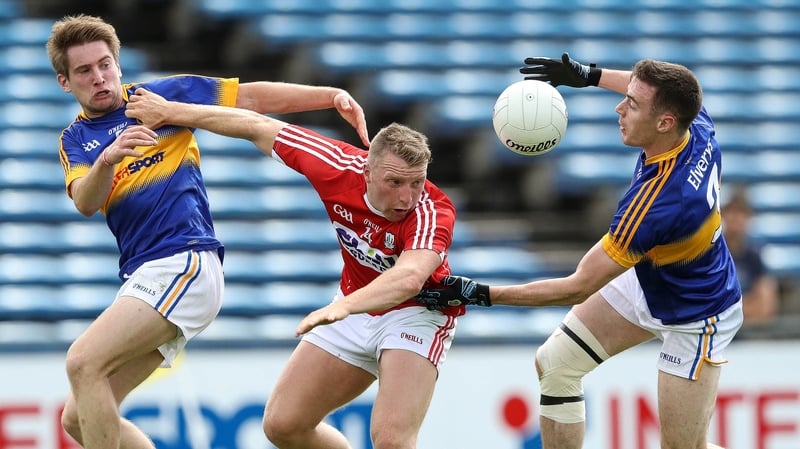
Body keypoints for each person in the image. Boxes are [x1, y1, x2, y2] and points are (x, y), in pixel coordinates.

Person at [46, 14, 369, 449]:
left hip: (184, 261)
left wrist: (329, 96)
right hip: (145, 275)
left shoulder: (161, 98)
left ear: (118, 64)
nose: (99, 77)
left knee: (83, 362)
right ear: (66, 83)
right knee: (77, 416)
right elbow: (85, 201)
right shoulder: (75, 140)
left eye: (105, 64)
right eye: (84, 71)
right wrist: (107, 159)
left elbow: (250, 98)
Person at [416, 53, 742, 449]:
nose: (620, 107)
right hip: (652, 279)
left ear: (664, 123)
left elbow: (577, 288)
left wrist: (479, 293)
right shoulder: (696, 121)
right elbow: (651, 92)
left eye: (632, 105)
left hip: (697, 313)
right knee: (557, 364)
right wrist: (589, 76)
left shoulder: (659, 204)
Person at [125, 87, 463, 449]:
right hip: (353, 305)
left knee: (392, 440)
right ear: (366, 169)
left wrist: (344, 307)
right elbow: (255, 125)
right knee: (283, 424)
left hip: (417, 313)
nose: (406, 197)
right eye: (394, 182)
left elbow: (410, 278)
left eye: (416, 183)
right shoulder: (335, 164)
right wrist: (171, 112)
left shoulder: (432, 210)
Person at [721, 188, 779, 327]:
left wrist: (729, 312)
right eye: (732, 212)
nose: (736, 218)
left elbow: (766, 305)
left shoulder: (755, 254)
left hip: (748, 331)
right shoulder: (713, 252)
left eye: (741, 213)